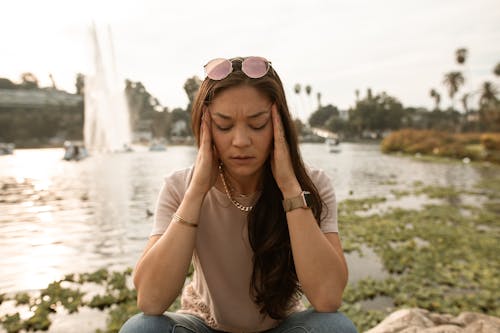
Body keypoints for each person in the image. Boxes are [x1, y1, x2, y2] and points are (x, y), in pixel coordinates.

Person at [119, 56, 357, 333]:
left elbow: (328, 298)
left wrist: (290, 189)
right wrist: (196, 192)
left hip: (282, 327)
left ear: (279, 124)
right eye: (224, 125)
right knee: (142, 330)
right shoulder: (179, 186)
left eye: (257, 124)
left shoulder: (312, 185)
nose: (241, 141)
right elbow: (150, 300)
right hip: (205, 326)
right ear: (204, 126)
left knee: (334, 327)